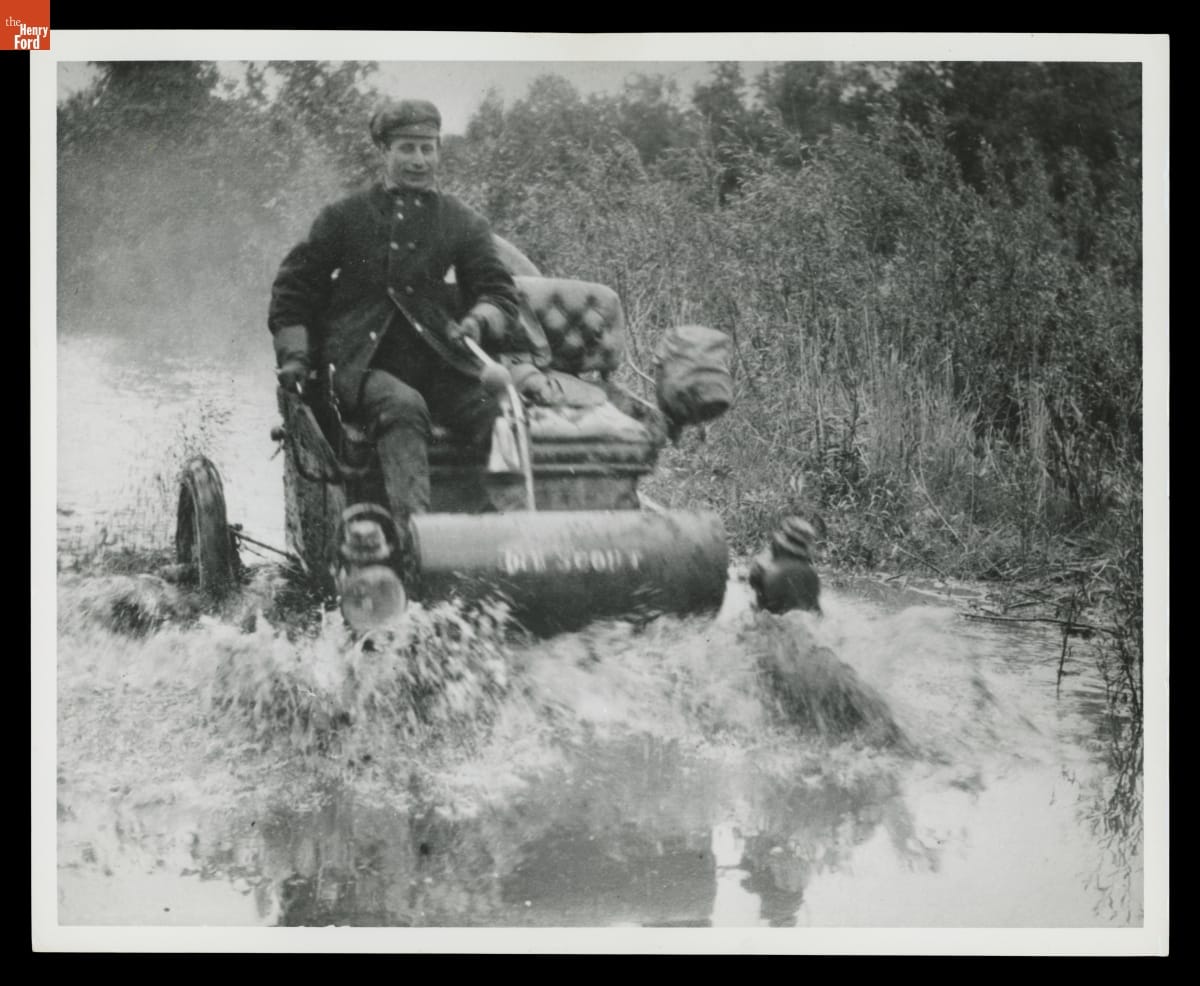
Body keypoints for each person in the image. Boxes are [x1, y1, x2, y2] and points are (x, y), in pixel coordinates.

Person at [268, 98, 524, 525]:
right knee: (403, 407)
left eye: (428, 148)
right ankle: (415, 542)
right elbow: (294, 289)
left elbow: (498, 292)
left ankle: (504, 536)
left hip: (439, 361)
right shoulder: (344, 217)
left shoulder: (461, 221)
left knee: (495, 410)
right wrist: (294, 355)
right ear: (383, 151)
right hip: (361, 366)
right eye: (407, 148)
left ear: (439, 151)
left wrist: (479, 320)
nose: (419, 160)